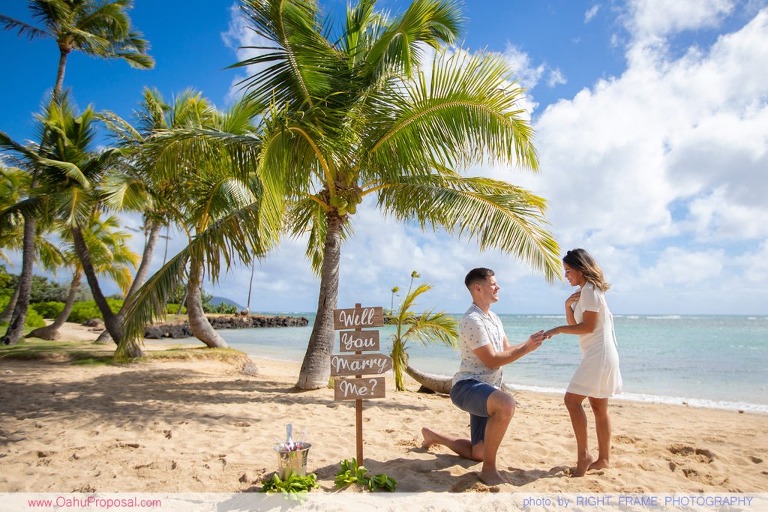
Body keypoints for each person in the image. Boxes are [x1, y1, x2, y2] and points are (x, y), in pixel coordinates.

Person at [421, 267, 546, 485]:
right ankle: (489, 470)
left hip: (488, 390)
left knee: (478, 452)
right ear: (478, 288)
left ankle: (434, 436)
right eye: (493, 284)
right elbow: (492, 360)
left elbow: (505, 349)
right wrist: (526, 348)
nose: (498, 287)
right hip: (467, 387)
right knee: (506, 404)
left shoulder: (494, 318)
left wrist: (529, 344)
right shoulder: (471, 320)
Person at [543, 248, 623, 477]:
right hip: (599, 354)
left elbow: (587, 328)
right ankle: (604, 460)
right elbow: (578, 325)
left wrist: (557, 329)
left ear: (580, 269)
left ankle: (584, 456)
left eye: (568, 271)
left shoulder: (589, 291)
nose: (565, 275)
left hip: (599, 354)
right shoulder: (587, 291)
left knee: (571, 400)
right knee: (599, 407)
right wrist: (568, 306)